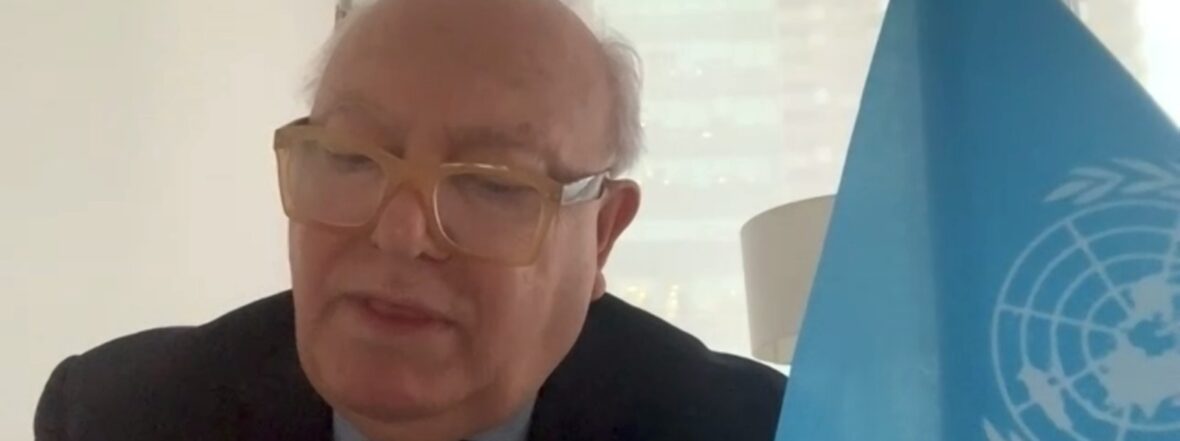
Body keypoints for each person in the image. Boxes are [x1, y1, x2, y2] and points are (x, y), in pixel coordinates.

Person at [33, 0, 786, 440]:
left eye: (490, 184)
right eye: (351, 158)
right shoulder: (121, 416)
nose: (400, 233)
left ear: (601, 235)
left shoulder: (756, 429)